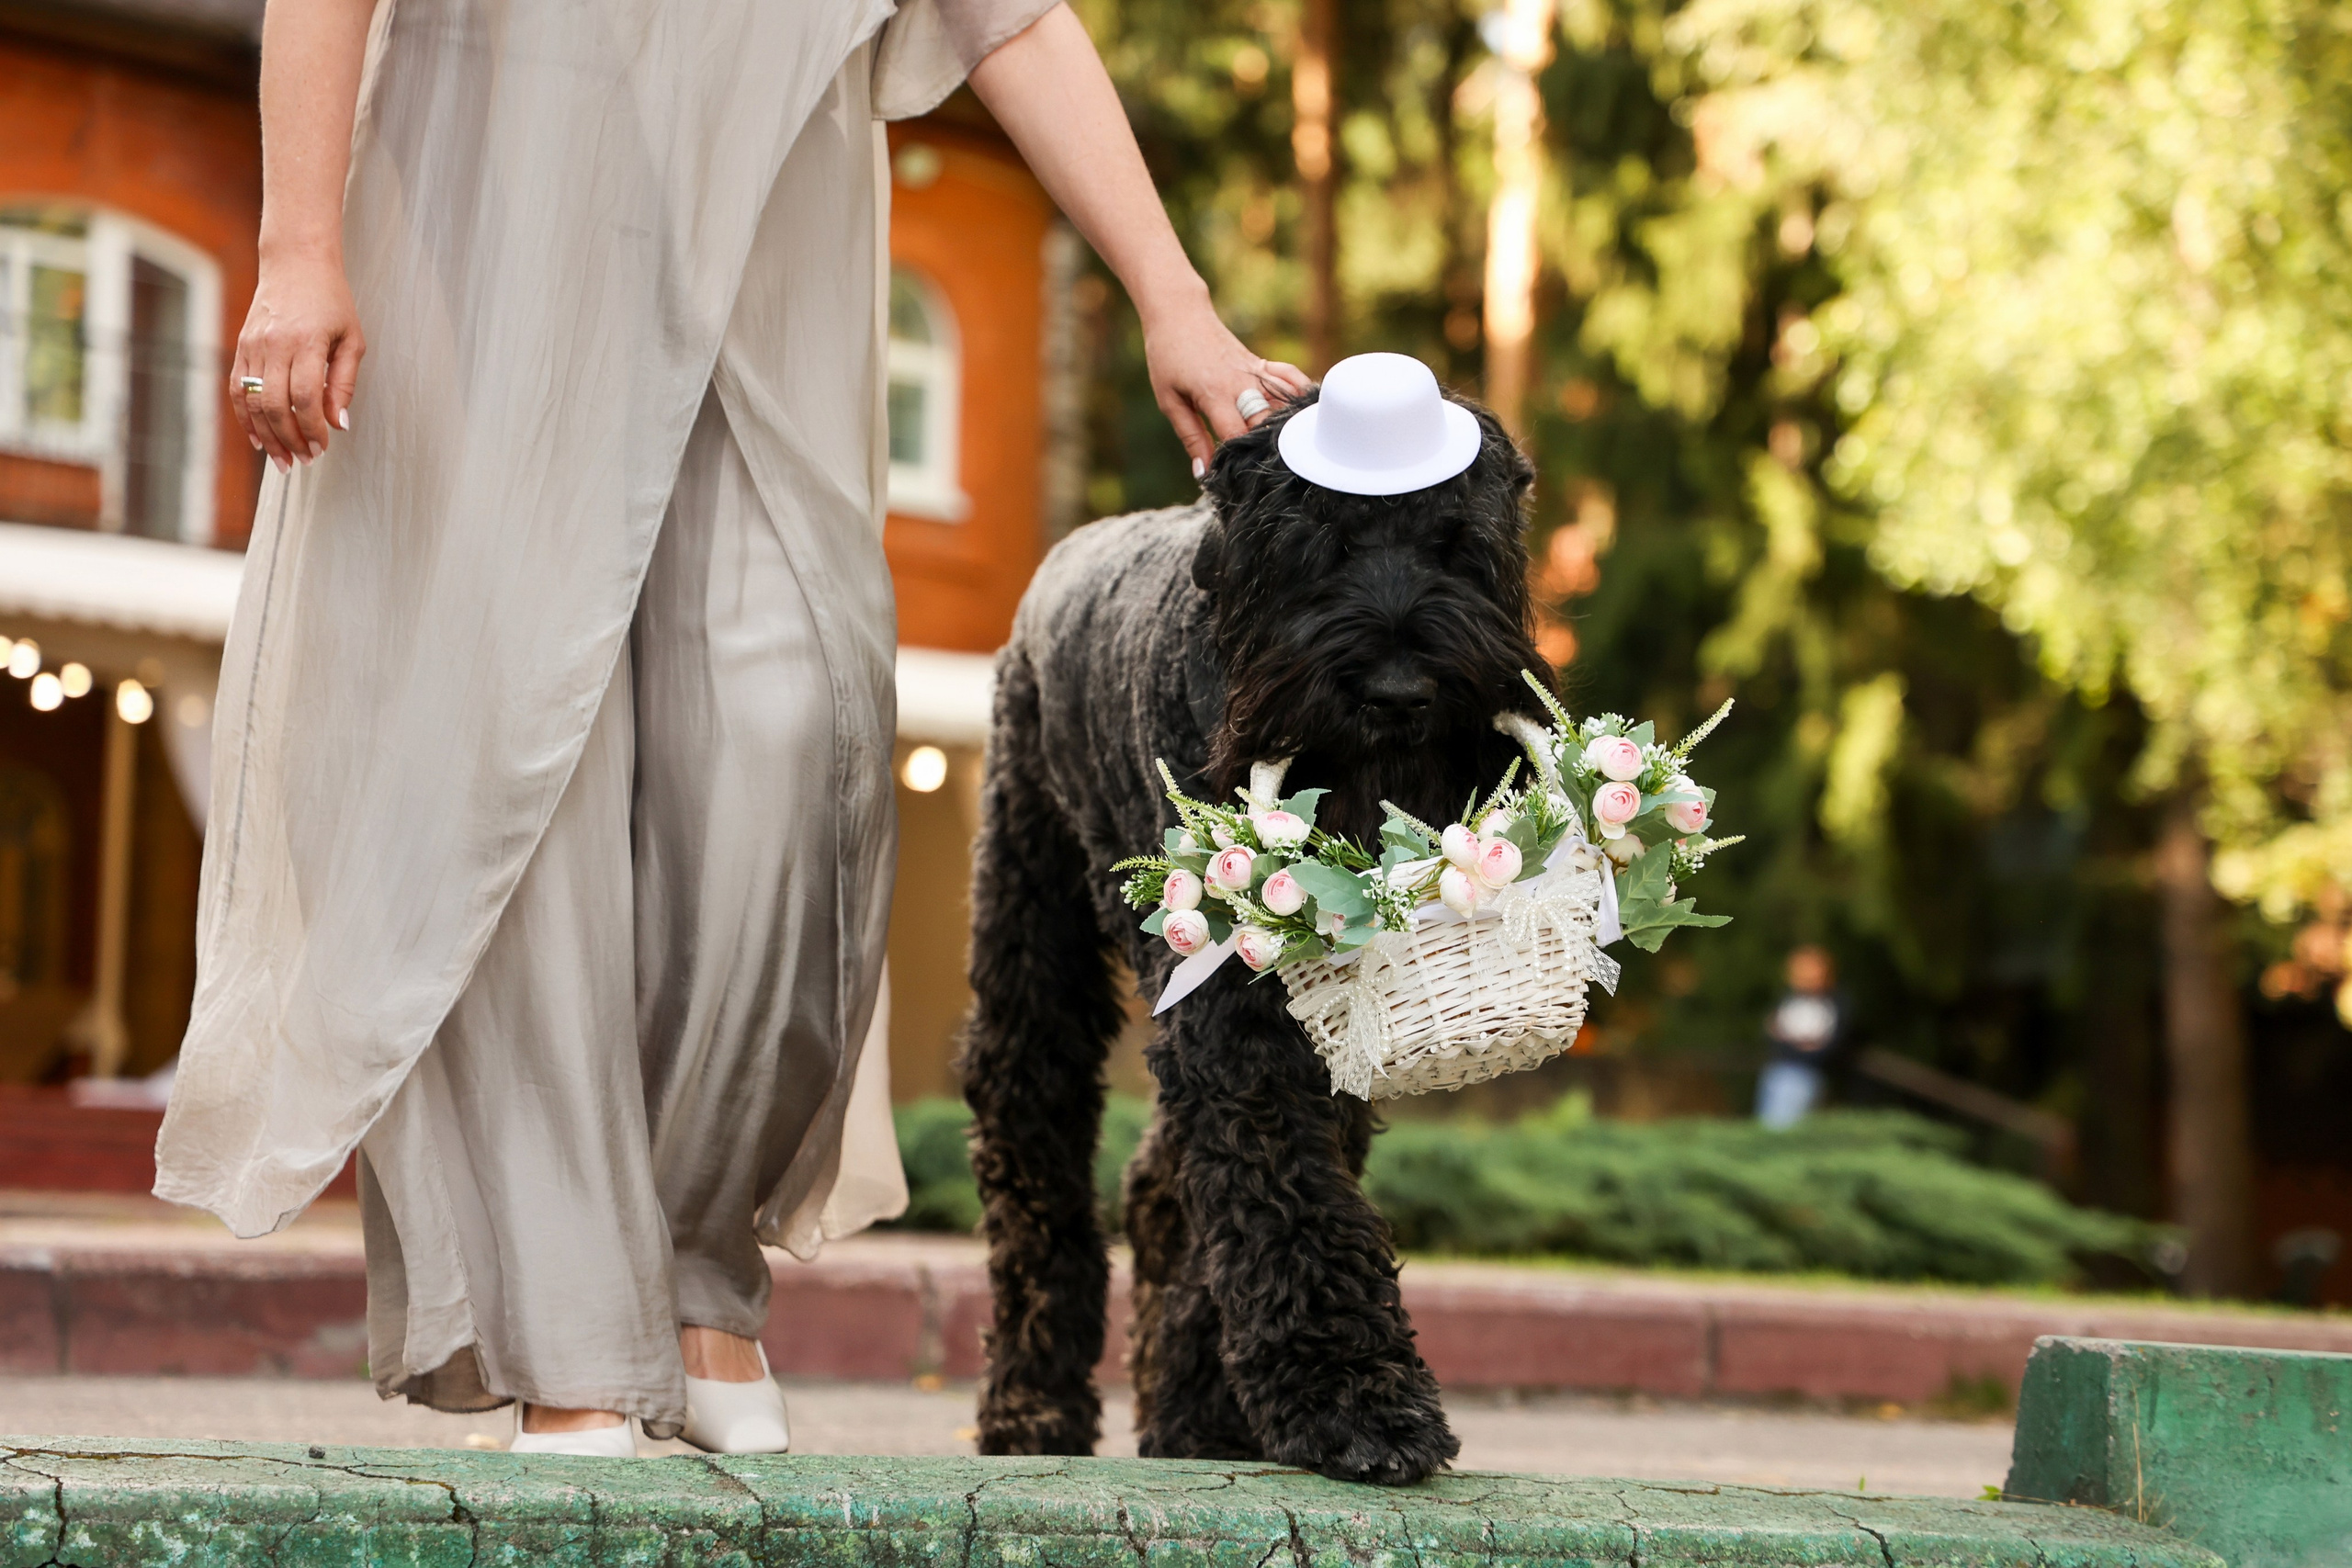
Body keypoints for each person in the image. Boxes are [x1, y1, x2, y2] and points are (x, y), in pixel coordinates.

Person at [153, 0, 1306, 1458]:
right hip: (481, 220)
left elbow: (1011, 17)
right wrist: (297, 248)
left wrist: (1172, 296)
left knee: (791, 728)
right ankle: (574, 1335)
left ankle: (696, 1256)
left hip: (765, 263)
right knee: (521, 770)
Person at [1755, 944, 1846, 1129]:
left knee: (1783, 1129)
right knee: (1766, 1127)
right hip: (1776, 1070)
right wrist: (1799, 1045)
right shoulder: (1789, 999)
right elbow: (1771, 1033)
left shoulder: (1834, 1004)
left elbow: (1825, 1048)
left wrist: (1790, 1043)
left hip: (1804, 1076)